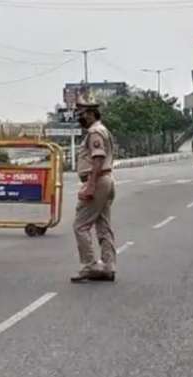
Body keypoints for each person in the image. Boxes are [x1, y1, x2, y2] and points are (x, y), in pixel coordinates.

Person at [70, 99, 117, 283]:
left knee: (80, 226)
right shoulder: (103, 130)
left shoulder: (95, 131)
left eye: (82, 115)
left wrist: (90, 185)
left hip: (97, 180)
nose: (80, 118)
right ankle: (108, 266)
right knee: (103, 225)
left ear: (91, 114)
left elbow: (98, 158)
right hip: (105, 180)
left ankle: (89, 265)